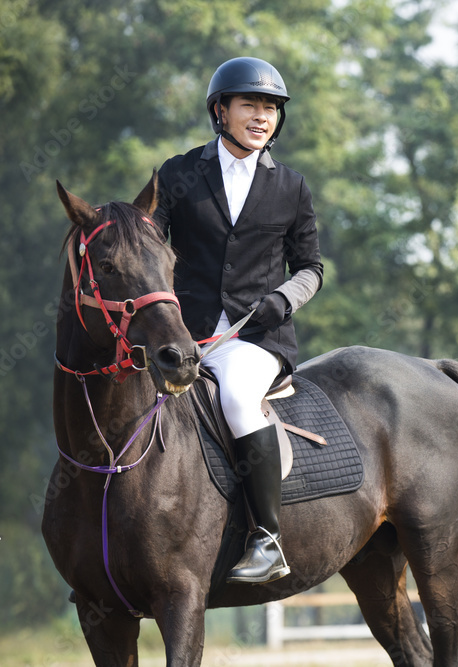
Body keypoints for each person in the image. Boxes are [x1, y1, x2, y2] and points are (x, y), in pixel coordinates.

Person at [155, 56, 324, 584]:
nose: (261, 117)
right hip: (187, 334)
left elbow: (312, 267)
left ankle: (267, 539)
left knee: (234, 397)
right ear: (220, 111)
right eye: (250, 105)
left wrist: (286, 298)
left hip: (255, 336)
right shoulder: (179, 174)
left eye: (271, 108)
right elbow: (149, 248)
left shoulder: (291, 186)